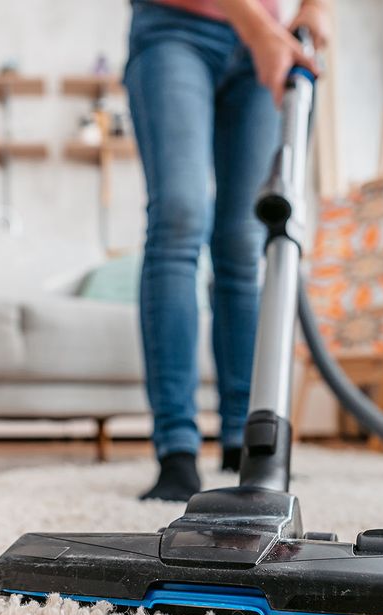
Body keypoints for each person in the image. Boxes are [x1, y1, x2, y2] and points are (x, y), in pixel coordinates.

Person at [126, 0, 329, 501]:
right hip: (174, 26)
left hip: (269, 38)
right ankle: (176, 450)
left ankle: (244, 441)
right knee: (179, 217)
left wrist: (317, 8)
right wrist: (255, 23)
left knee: (244, 239)